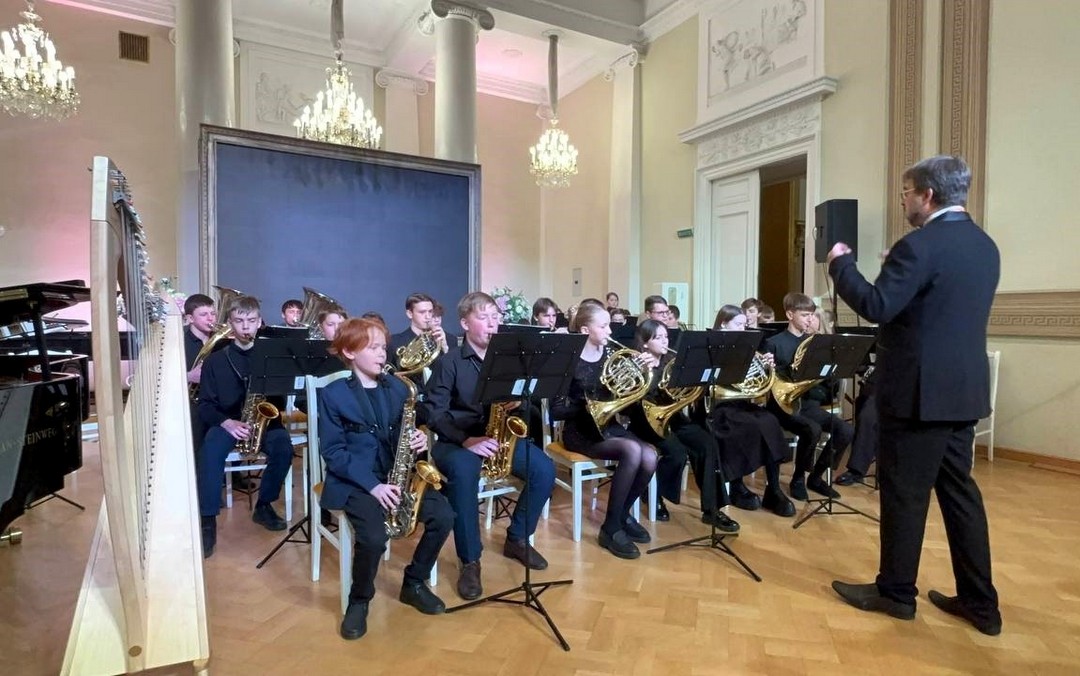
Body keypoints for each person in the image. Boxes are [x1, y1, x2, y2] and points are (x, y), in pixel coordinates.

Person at [827, 155, 1002, 636]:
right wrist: (901, 270)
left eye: (906, 191)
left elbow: (877, 305)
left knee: (905, 495)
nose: (903, 200)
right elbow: (938, 309)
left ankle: (896, 593)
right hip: (962, 393)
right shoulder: (984, 245)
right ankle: (981, 604)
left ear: (927, 194)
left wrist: (841, 265)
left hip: (918, 395)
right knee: (961, 496)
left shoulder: (919, 245)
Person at [317, 317, 453, 640]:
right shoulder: (333, 394)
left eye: (383, 347)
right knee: (374, 538)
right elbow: (334, 452)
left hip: (396, 475)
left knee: (444, 515)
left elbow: (408, 429)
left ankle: (413, 582)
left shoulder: (398, 388)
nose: (383, 354)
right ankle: (359, 599)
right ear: (349, 352)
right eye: (374, 348)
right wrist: (373, 486)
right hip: (356, 481)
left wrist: (419, 438)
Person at [421, 292, 556, 601]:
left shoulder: (509, 361)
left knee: (544, 469)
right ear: (465, 323)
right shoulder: (449, 363)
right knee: (464, 475)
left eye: (495, 317)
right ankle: (470, 560)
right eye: (484, 318)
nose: (492, 324)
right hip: (457, 441)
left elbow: (528, 403)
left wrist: (519, 401)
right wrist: (466, 440)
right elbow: (434, 414)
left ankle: (517, 538)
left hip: (497, 437)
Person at [551, 303, 658, 559]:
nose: (610, 331)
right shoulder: (568, 360)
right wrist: (587, 404)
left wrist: (643, 372)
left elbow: (627, 403)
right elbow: (556, 410)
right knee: (633, 451)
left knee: (650, 455)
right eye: (604, 326)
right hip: (579, 431)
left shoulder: (613, 354)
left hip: (609, 426)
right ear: (585, 330)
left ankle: (621, 515)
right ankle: (610, 528)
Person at [196, 296, 293, 558]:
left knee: (283, 448)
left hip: (265, 422)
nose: (245, 327)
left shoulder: (272, 358)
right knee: (209, 452)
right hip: (226, 422)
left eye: (251, 321)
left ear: (260, 322)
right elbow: (205, 405)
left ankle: (264, 505)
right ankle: (207, 520)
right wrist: (227, 422)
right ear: (230, 323)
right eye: (239, 321)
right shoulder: (216, 361)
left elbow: (280, 401)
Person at [626, 319, 743, 531]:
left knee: (707, 443)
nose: (665, 341)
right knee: (676, 453)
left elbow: (688, 394)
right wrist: (642, 373)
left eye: (666, 337)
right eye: (658, 338)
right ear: (644, 343)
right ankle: (654, 494)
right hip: (645, 422)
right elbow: (628, 405)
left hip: (674, 418)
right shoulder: (636, 364)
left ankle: (712, 509)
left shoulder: (674, 363)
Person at [709, 305, 795, 518]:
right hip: (717, 407)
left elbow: (756, 382)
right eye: (738, 324)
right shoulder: (711, 345)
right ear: (723, 324)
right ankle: (736, 484)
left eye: (744, 325)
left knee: (770, 421)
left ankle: (773, 488)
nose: (743, 329)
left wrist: (765, 366)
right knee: (746, 425)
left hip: (740, 402)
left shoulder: (746, 347)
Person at [764, 292, 839, 501]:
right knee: (812, 429)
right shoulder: (774, 343)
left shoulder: (813, 343)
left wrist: (830, 369)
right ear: (790, 315)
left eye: (811, 315)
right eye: (805, 315)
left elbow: (822, 382)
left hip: (807, 404)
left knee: (845, 431)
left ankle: (815, 477)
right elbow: (770, 380)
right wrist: (772, 368)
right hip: (782, 406)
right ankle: (798, 479)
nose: (809, 319)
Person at [390, 293, 451, 364]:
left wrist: (445, 348)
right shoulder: (395, 342)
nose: (428, 317)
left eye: (430, 311)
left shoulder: (449, 339)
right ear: (410, 314)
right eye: (422, 312)